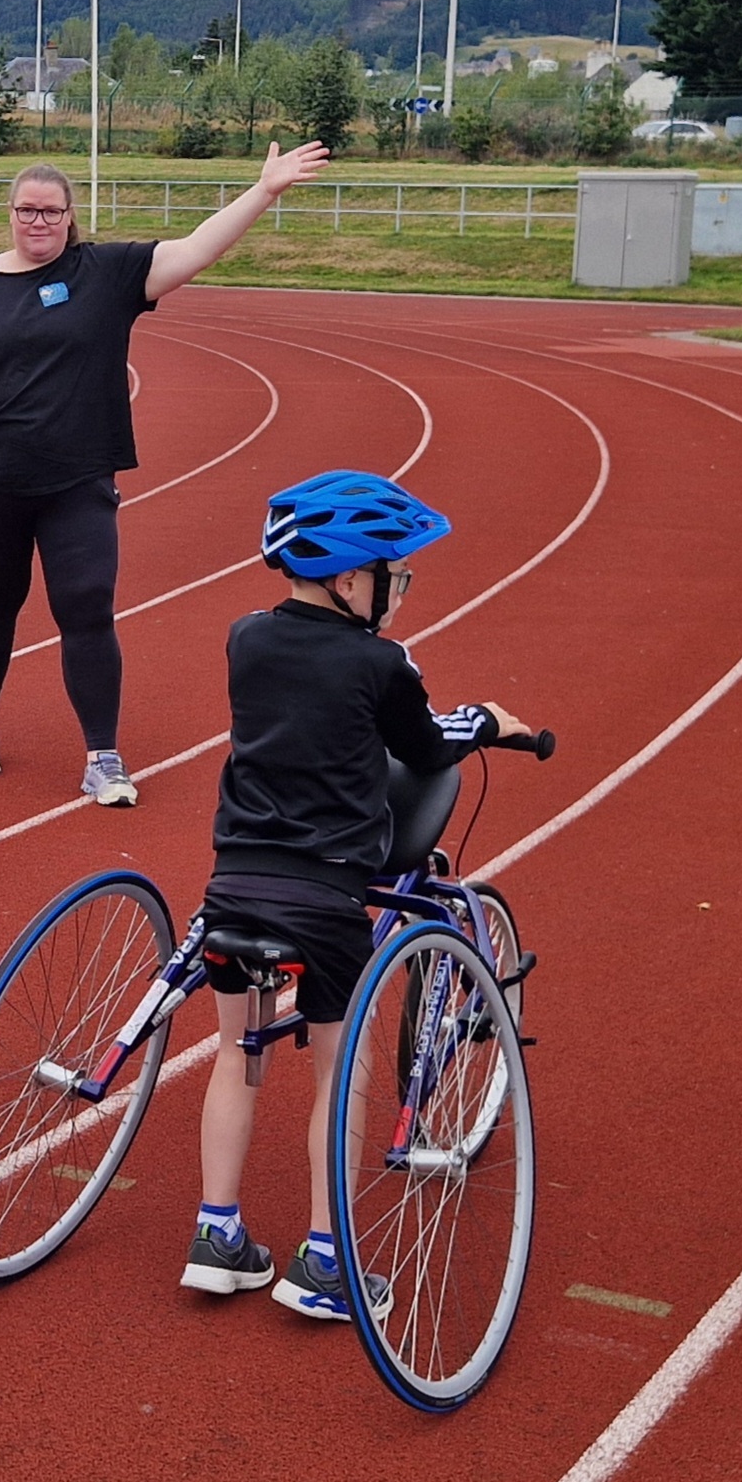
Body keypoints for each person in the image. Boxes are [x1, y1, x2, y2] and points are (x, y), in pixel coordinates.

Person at [177, 472, 533, 1320]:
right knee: (343, 1068)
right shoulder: (382, 663)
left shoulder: (245, 637)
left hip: (233, 883)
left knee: (237, 1051)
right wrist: (487, 721)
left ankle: (216, 1237)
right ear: (347, 579)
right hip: (323, 898)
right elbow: (426, 746)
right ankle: (325, 1263)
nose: (398, 589)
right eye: (391, 573)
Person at [0, 143, 333, 806]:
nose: (39, 222)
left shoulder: (104, 274)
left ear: (70, 215)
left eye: (51, 212)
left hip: (78, 481)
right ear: (10, 213)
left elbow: (195, 250)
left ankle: (102, 757)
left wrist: (264, 192)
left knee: (87, 609)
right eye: (27, 211)